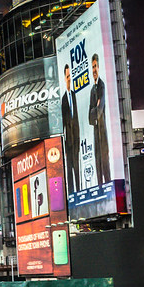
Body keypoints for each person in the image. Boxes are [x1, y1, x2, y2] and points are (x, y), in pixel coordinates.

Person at [87, 54, 110, 187]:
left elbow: (99, 110)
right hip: (96, 133)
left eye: (95, 66)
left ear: (99, 67)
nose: (94, 70)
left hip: (103, 130)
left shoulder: (102, 86)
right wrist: (94, 110)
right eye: (92, 67)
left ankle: (107, 186)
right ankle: (101, 187)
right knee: (97, 162)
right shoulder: (92, 90)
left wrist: (95, 110)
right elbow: (90, 119)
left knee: (105, 163)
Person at [61, 63, 81, 191]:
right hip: (68, 142)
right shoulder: (63, 99)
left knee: (77, 168)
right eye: (67, 76)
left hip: (76, 139)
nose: (69, 79)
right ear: (64, 78)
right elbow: (63, 124)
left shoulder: (74, 95)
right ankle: (72, 192)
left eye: (70, 76)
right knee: (69, 169)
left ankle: (79, 189)